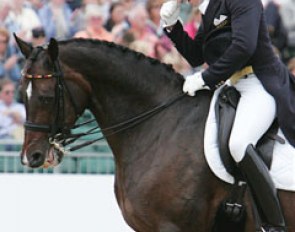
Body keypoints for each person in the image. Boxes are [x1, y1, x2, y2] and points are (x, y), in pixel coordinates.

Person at [160, 0, 295, 231]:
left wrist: (205, 78)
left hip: (260, 82)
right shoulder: (211, 9)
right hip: (232, 85)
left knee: (239, 143)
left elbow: (244, 46)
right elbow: (195, 56)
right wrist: (172, 26)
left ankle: (274, 224)